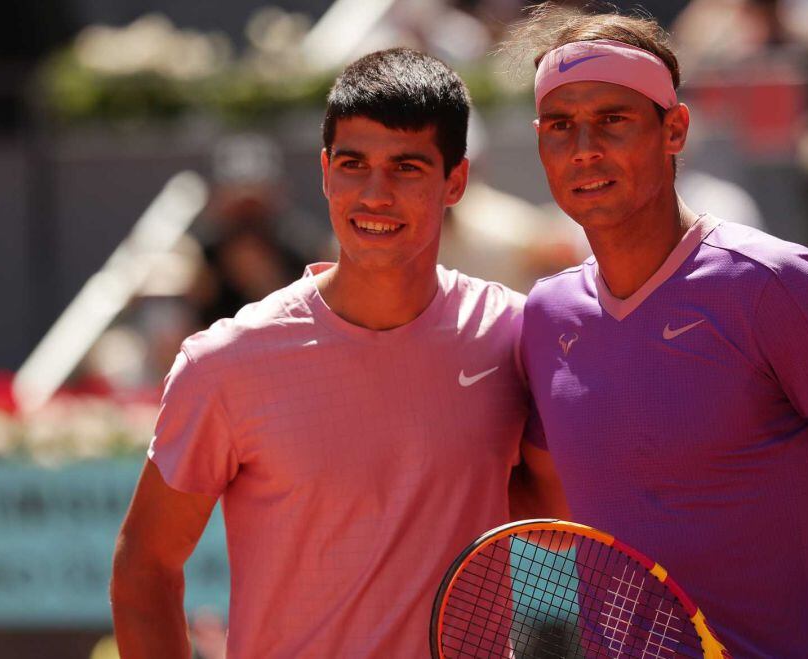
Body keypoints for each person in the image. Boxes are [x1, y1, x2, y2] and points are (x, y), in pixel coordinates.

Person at [507, 4, 808, 657]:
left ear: (675, 130)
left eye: (612, 120)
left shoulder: (779, 286)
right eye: (561, 126)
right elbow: (548, 509)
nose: (584, 149)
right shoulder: (547, 315)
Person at [110, 47, 566, 658]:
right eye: (353, 164)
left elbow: (555, 520)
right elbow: (144, 568)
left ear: (454, 180)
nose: (374, 193)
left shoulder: (517, 335)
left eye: (406, 167)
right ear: (325, 172)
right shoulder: (226, 362)